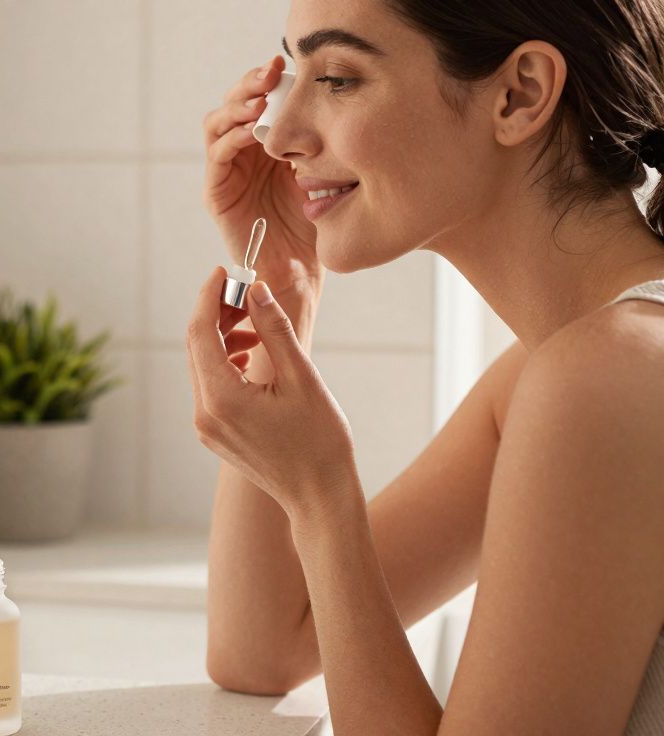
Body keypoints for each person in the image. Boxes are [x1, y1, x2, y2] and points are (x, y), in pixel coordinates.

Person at [189, 0, 664, 732]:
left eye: (340, 77)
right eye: (295, 72)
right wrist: (283, 292)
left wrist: (322, 494)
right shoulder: (571, 369)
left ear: (521, 94)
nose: (277, 134)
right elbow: (263, 648)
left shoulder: (610, 377)